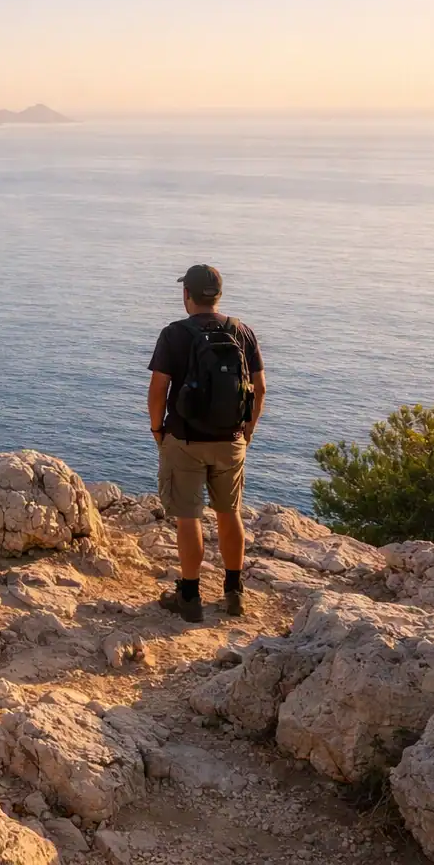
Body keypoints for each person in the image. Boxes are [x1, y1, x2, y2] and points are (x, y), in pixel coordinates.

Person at [147, 265, 266, 623]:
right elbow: (259, 388)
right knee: (229, 513)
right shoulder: (241, 331)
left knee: (189, 518)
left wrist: (157, 429)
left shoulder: (174, 334)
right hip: (231, 439)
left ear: (187, 295)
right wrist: (248, 430)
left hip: (184, 439)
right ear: (218, 295)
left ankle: (189, 596)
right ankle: (234, 592)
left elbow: (158, 389)